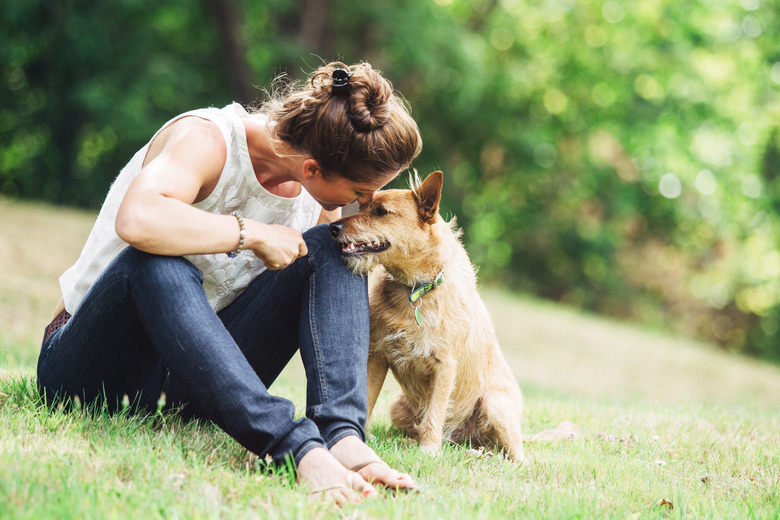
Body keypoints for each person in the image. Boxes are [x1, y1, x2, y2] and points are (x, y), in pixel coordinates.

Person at [37, 61, 423, 505]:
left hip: (192, 382)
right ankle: (295, 449)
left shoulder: (317, 201)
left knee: (336, 249)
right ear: (313, 168)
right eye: (359, 193)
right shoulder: (207, 139)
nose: (361, 206)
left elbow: (324, 295)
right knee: (157, 262)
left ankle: (341, 436)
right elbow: (138, 218)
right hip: (97, 367)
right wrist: (252, 233)